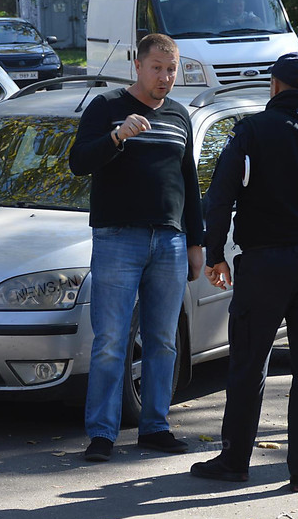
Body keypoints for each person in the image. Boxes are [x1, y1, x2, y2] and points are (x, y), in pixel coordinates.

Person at [191, 52, 298, 492]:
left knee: (248, 363)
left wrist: (214, 254)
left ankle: (235, 462)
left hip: (264, 264)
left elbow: (221, 196)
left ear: (275, 86)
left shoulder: (249, 132)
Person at [69, 32, 206, 462]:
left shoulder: (180, 115)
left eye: (172, 69)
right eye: (157, 68)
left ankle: (155, 426)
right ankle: (103, 433)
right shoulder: (107, 108)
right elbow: (77, 163)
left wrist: (197, 241)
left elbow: (190, 184)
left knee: (163, 339)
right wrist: (116, 138)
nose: (165, 77)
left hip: (169, 240)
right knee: (111, 339)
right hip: (117, 238)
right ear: (137, 65)